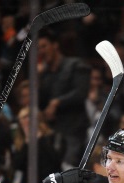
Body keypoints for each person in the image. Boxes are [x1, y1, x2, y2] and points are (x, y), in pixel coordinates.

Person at [37, 29, 91, 170]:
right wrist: (38, 80)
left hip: (74, 129)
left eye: (44, 46)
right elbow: (41, 103)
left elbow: (81, 93)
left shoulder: (75, 65)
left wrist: (57, 102)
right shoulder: (44, 74)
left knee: (68, 169)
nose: (41, 51)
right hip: (53, 130)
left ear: (55, 45)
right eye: (38, 48)